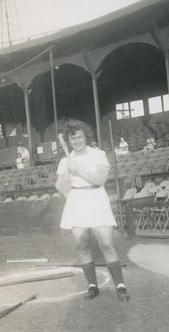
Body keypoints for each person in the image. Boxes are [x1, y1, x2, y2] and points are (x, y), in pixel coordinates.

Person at [54, 120, 130, 302]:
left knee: (106, 245)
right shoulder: (65, 160)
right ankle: (92, 286)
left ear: (85, 136)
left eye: (80, 136)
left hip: (96, 199)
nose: (77, 141)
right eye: (73, 138)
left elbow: (99, 180)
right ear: (68, 140)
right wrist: (66, 173)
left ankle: (120, 286)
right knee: (82, 246)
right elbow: (61, 188)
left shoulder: (99, 155)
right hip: (77, 201)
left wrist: (78, 170)